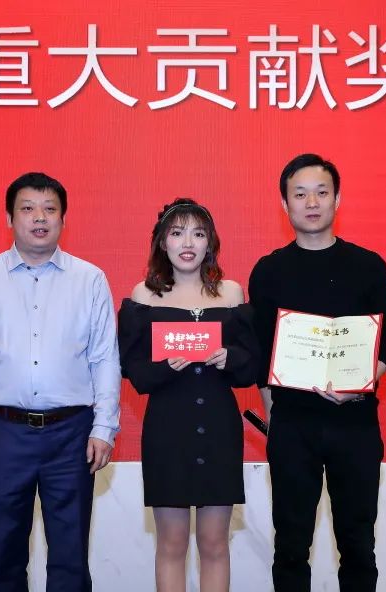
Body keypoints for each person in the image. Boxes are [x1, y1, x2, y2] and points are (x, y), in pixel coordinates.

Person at [0, 172, 121, 592]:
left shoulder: (90, 280)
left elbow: (104, 358)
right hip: (2, 434)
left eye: (49, 209)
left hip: (72, 435)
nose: (39, 217)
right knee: (4, 559)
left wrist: (104, 426)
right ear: (10, 218)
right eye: (27, 208)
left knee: (70, 561)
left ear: (63, 219)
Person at [248, 154, 386, 592]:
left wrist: (364, 381)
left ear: (338, 199)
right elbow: (261, 351)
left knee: (358, 545)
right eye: (300, 194)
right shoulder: (269, 271)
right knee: (290, 546)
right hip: (293, 426)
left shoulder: (368, 265)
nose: (311, 202)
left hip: (355, 423)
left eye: (321, 192)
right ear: (285, 204)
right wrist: (274, 419)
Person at [117, 198, 258, 592]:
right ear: (162, 242)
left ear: (210, 242)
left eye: (198, 234)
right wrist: (166, 366)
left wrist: (230, 358)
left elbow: (251, 367)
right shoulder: (144, 296)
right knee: (172, 543)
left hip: (219, 427)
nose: (188, 243)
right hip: (167, 429)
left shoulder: (231, 293)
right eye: (177, 233)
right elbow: (132, 369)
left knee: (214, 543)